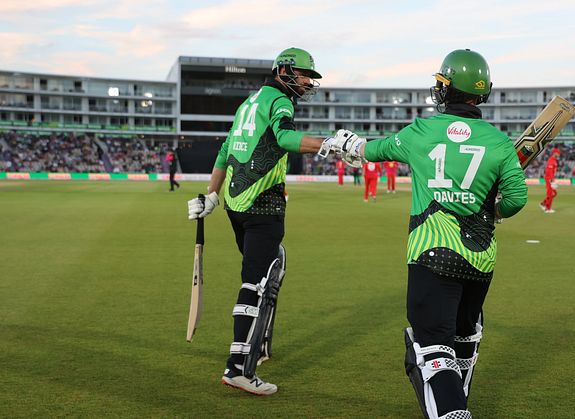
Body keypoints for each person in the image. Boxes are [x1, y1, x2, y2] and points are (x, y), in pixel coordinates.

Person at [329, 49, 527, 418]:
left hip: (431, 252)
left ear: (447, 89)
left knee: (432, 351)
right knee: (466, 338)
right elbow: (517, 199)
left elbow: (374, 149)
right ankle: (457, 400)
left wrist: (348, 144)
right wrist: (490, 212)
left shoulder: (420, 131)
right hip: (480, 258)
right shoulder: (499, 143)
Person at [186, 47, 338, 396]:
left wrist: (211, 195)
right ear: (284, 71)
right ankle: (238, 367)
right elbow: (285, 138)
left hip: (236, 204)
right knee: (256, 280)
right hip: (263, 204)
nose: (306, 82)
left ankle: (260, 345)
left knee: (275, 264)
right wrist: (328, 144)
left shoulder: (249, 102)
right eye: (303, 75)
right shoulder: (281, 102)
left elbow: (225, 150)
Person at [540, 148, 560, 213]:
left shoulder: (554, 160)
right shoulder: (551, 160)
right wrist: (552, 180)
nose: (559, 154)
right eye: (558, 153)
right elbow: (549, 171)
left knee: (554, 193)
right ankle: (548, 209)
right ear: (554, 153)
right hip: (549, 179)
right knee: (551, 193)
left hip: (550, 178)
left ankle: (543, 203)